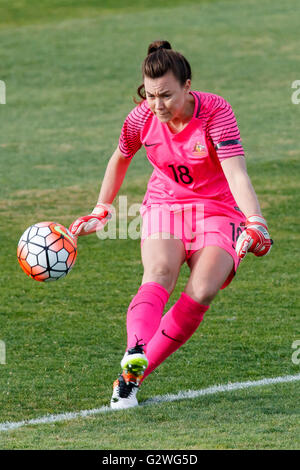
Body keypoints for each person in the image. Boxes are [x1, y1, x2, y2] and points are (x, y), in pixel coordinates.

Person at [69, 40, 272, 409]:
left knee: (203, 290)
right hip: (167, 204)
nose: (158, 105)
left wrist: (255, 220)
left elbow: (236, 173)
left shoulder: (215, 112)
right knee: (159, 271)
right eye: (150, 95)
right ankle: (135, 351)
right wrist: (102, 207)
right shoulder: (141, 119)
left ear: (188, 85)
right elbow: (120, 157)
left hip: (219, 210)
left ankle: (132, 377)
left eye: (166, 95)